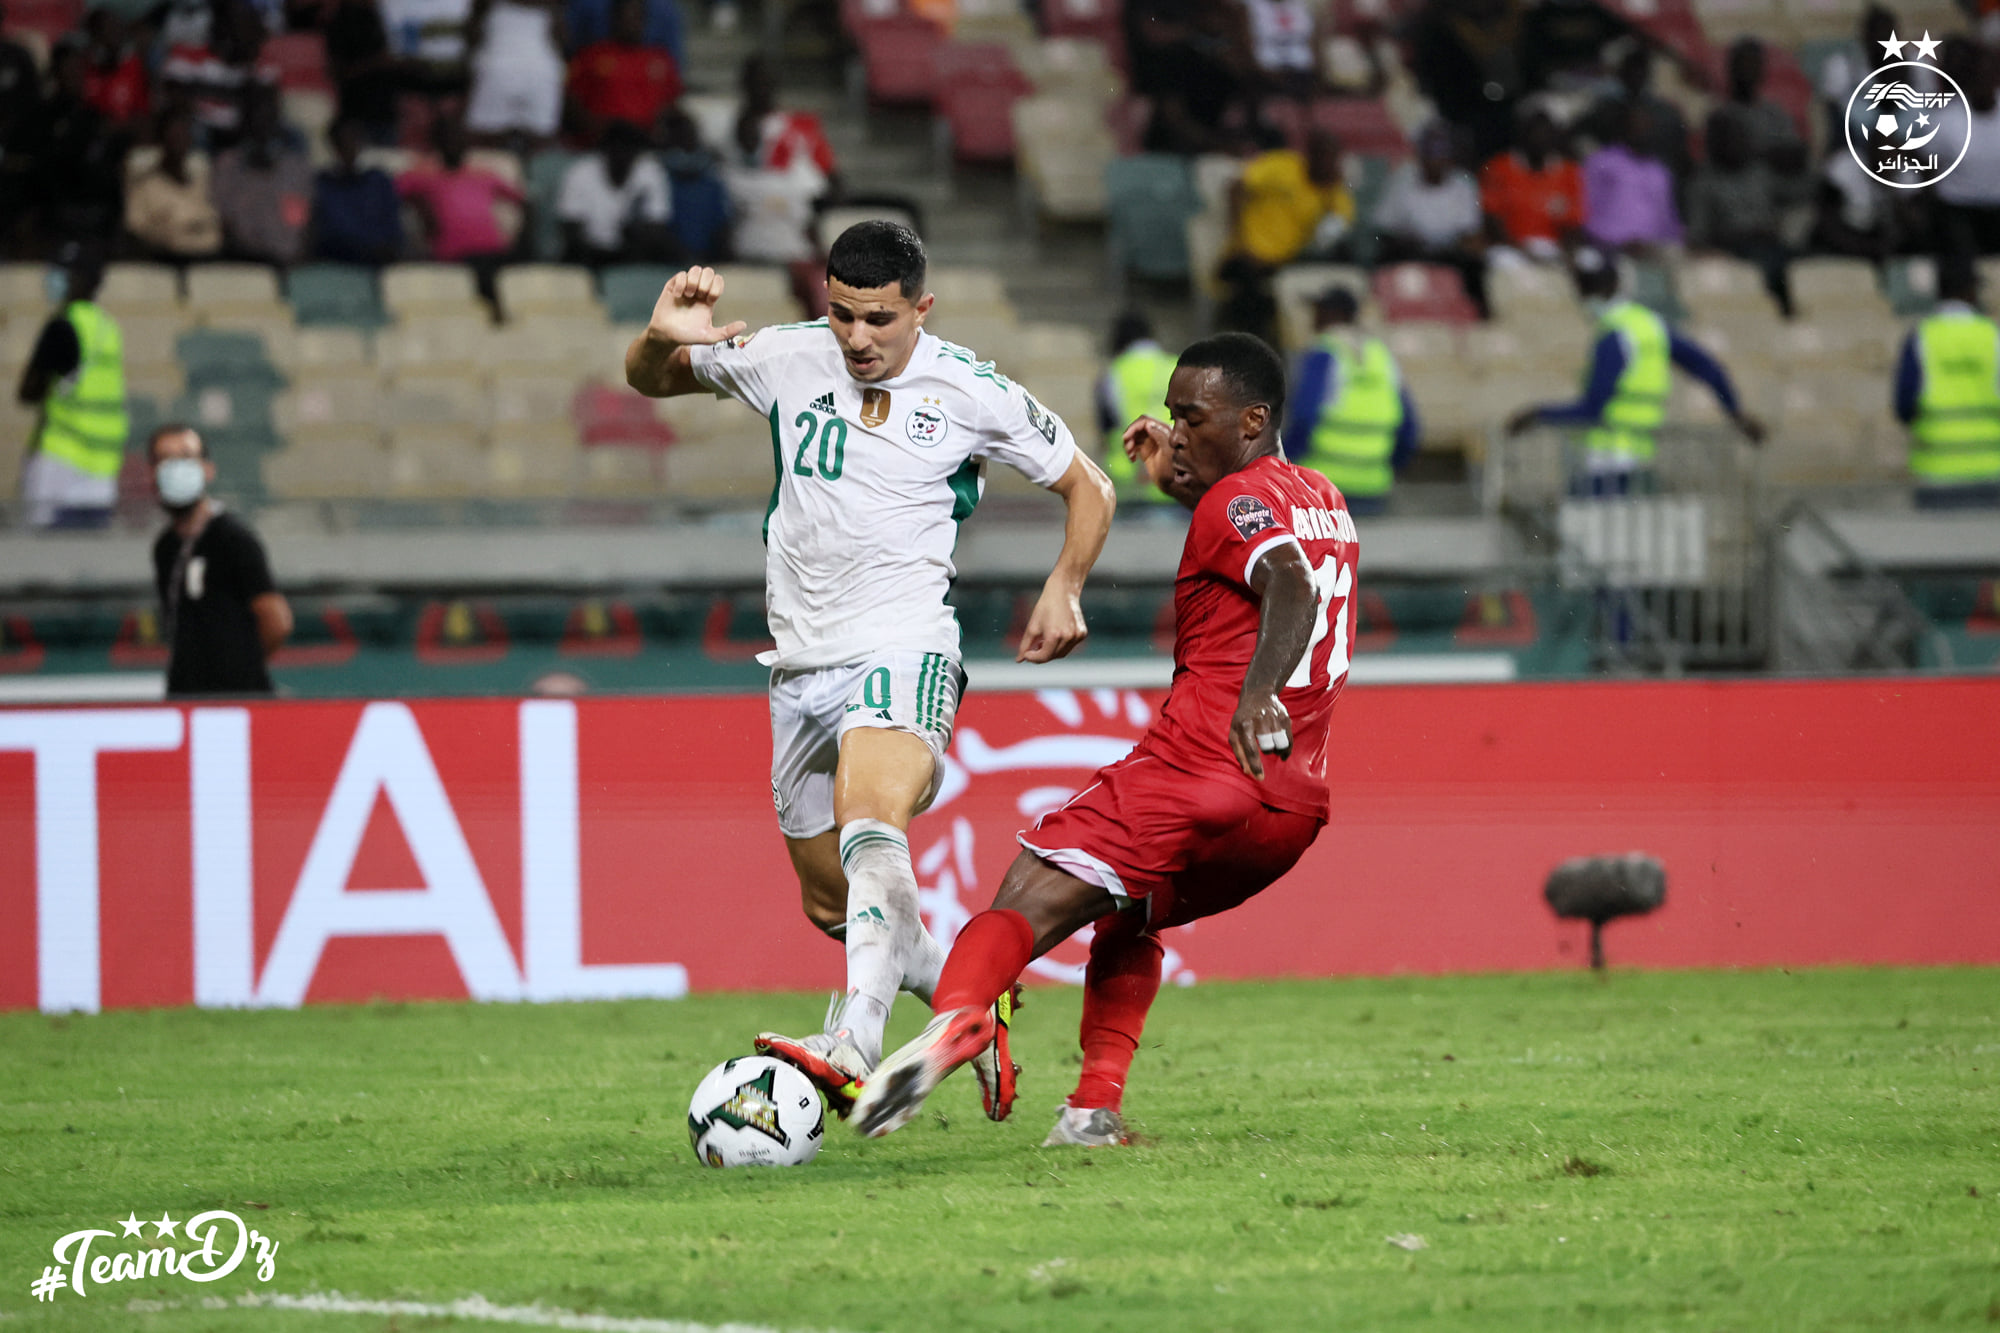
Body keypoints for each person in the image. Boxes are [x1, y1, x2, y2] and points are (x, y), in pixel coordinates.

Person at [623, 225, 1117, 1120]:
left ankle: (854, 1041)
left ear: (921, 309)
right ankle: (971, 1002)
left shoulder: (970, 387)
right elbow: (652, 380)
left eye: (879, 319)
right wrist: (661, 338)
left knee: (870, 816)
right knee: (832, 901)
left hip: (904, 643)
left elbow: (1090, 484)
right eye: (842, 314)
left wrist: (1065, 584)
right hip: (798, 663)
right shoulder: (786, 356)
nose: (857, 337)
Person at [850, 332, 1355, 1145]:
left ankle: (962, 1016)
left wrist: (1258, 690)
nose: (1177, 433)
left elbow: (1286, 580)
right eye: (1172, 415)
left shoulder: (1234, 505)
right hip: (1288, 811)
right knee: (1131, 917)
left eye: (1193, 418)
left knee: (1024, 894)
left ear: (1253, 419)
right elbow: (1254, 531)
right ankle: (1092, 1111)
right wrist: (1172, 472)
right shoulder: (1322, 497)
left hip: (1201, 764)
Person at [1504, 247, 1761, 493]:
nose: (1587, 295)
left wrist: (1538, 415)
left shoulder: (1614, 335)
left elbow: (1594, 408)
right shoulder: (1650, 325)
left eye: (1590, 286)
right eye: (1586, 285)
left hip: (1609, 460)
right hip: (1642, 455)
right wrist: (1735, 411)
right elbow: (1708, 368)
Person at [149, 424, 293, 696]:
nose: (175, 468)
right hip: (186, 697)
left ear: (207, 469)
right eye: (165, 459)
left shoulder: (233, 539)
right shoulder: (165, 547)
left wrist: (239, 667)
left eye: (185, 457)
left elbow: (276, 620)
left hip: (236, 698)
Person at [16, 247, 127, 530]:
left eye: (62, 273)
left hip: (60, 460)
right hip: (102, 466)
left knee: (45, 548)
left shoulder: (63, 326)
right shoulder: (107, 327)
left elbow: (28, 391)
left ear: (82, 279)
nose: (53, 279)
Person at [1285, 286, 1419, 515]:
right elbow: (1409, 429)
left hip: (1321, 488)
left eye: (1318, 311)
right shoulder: (1381, 356)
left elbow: (1304, 418)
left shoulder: (1323, 354)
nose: (1312, 319)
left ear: (1332, 314)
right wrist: (1385, 469)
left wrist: (1283, 466)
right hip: (1373, 488)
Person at [1216, 129, 1354, 341]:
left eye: (1332, 158)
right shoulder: (1282, 165)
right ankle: (1248, 342)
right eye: (1322, 155)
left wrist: (1330, 193)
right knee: (1247, 280)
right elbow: (1236, 187)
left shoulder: (1334, 192)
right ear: (1311, 154)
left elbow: (1329, 236)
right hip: (1247, 252)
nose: (1327, 163)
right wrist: (1239, 239)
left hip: (1289, 261)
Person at [1892, 256, 2000, 508]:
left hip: (1936, 473)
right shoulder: (1992, 335)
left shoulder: (1921, 337)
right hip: (1992, 472)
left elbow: (1904, 404)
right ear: (1971, 291)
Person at [1374, 121, 1489, 317]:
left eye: (1441, 153)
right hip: (1411, 251)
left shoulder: (1463, 186)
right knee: (1384, 260)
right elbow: (1384, 229)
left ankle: (1477, 317)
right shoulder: (1402, 181)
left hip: (1449, 252)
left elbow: (1471, 233)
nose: (1436, 160)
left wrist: (1453, 246)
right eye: (1430, 153)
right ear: (1420, 155)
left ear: (1449, 157)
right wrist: (1407, 243)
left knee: (1475, 266)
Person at [1685, 113, 1794, 317]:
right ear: (1717, 143)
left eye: (1742, 137)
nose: (1739, 143)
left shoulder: (1760, 173)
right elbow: (1698, 236)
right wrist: (1740, 236)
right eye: (1731, 138)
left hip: (1771, 245)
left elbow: (1784, 204)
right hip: (1734, 250)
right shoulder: (1703, 183)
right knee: (1772, 269)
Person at [397, 115, 524, 291]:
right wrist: (420, 204)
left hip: (494, 252)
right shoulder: (422, 174)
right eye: (448, 138)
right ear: (438, 142)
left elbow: (523, 200)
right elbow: (388, 195)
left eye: (459, 137)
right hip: (454, 257)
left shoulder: (484, 174)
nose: (454, 143)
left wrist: (520, 243)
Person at [211, 87, 315, 266]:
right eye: (256, 117)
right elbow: (224, 222)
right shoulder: (227, 165)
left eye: (268, 118)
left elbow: (301, 222)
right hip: (244, 262)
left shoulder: (295, 168)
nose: (262, 126)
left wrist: (296, 256)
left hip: (288, 262)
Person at [556, 119, 676, 266]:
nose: (622, 154)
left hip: (634, 253)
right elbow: (570, 228)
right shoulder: (580, 172)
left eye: (629, 149)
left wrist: (633, 234)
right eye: (617, 148)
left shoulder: (650, 171)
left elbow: (657, 225)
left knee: (669, 253)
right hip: (588, 254)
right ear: (605, 150)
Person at [565, 0, 680, 144]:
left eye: (637, 16)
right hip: (600, 146)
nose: (632, 22)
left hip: (648, 145)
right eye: (627, 16)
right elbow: (572, 101)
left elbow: (671, 103)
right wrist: (599, 130)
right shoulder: (590, 57)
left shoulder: (661, 60)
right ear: (614, 18)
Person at [1478, 105, 1582, 259]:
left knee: (1588, 259)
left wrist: (1563, 252)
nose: (1540, 139)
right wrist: (1517, 248)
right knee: (1501, 258)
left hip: (1553, 247)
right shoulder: (1499, 167)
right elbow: (1491, 217)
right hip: (1512, 247)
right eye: (1535, 133)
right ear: (1523, 135)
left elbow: (1575, 222)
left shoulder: (1569, 171)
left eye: (1546, 134)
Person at [1580, 101, 1681, 256]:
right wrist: (1616, 242)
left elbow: (1668, 220)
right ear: (1624, 127)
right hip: (1610, 248)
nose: (1642, 130)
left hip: (1655, 251)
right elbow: (1585, 212)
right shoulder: (1602, 162)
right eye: (1636, 125)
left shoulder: (1659, 171)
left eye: (1646, 125)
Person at [125, 106, 225, 261]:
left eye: (184, 134)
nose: (179, 141)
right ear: (162, 140)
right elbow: (136, 230)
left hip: (211, 262)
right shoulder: (145, 187)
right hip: (166, 262)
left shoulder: (204, 182)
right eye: (174, 135)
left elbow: (217, 225)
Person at [1098, 311, 1178, 505]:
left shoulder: (1114, 373)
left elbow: (1106, 428)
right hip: (1176, 481)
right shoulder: (1177, 366)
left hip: (1130, 484)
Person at [464, 0, 566, 143]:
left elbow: (471, 31)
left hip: (500, 65)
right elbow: (561, 37)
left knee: (484, 140)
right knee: (540, 141)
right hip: (539, 69)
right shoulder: (550, 5)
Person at [311, 116, 404, 264]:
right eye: (343, 142)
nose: (349, 146)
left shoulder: (379, 181)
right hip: (337, 262)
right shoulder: (324, 184)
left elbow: (393, 228)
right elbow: (325, 232)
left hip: (378, 261)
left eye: (353, 139)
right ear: (334, 145)